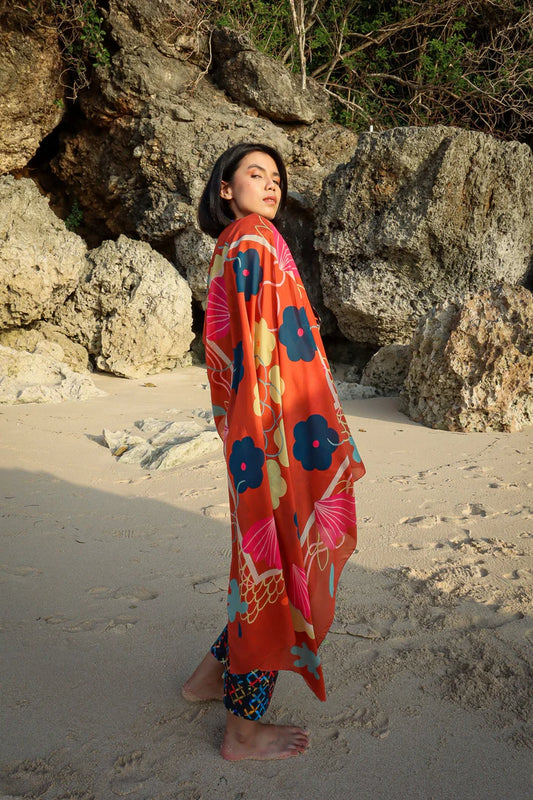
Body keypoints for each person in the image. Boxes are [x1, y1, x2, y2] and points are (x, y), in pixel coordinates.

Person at [182, 142, 365, 761]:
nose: (270, 184)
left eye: (277, 178)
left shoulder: (230, 244)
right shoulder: (256, 239)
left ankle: (207, 678)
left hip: (250, 428)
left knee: (263, 559)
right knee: (275, 570)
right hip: (273, 431)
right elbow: (269, 348)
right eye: (254, 173)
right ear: (225, 188)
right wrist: (285, 434)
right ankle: (241, 730)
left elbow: (237, 348)